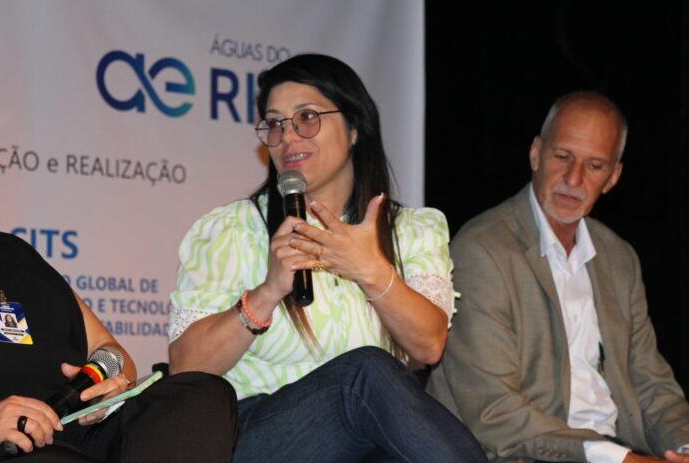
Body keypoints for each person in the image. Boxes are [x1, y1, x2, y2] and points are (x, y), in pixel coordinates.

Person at [168, 53, 486, 463]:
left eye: (306, 118)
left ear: (354, 128)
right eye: (275, 124)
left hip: (362, 443)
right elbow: (187, 367)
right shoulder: (234, 229)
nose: (288, 136)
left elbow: (428, 346)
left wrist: (372, 272)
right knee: (363, 375)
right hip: (253, 435)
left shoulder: (410, 230)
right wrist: (267, 293)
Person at [427, 91, 689, 463]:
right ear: (536, 154)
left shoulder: (618, 258)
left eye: (594, 165)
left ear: (613, 177)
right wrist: (619, 459)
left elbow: (651, 384)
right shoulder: (482, 250)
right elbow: (495, 410)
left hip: (615, 449)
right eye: (563, 157)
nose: (574, 178)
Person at [0, 226, 237, 462]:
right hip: (3, 447)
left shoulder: (8, 250)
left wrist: (108, 389)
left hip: (77, 427)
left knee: (201, 397)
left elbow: (110, 350)